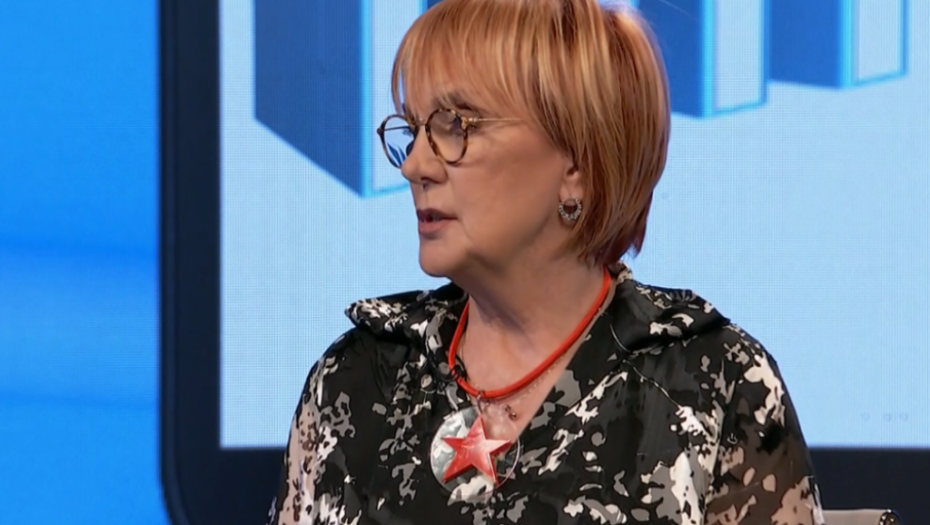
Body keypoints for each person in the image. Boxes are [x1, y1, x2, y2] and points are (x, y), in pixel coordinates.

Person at [266, 0, 825, 523]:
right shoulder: (355, 380)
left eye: (456, 124)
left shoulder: (716, 384)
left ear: (575, 164)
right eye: (414, 130)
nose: (415, 165)